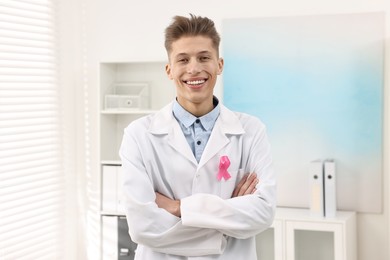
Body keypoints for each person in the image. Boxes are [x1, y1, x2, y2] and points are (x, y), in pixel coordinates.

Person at [119, 13, 276, 260]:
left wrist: (178, 208)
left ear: (219, 64)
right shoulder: (138, 135)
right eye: (183, 59)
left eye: (204, 57)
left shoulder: (251, 131)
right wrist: (226, 227)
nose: (194, 68)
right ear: (169, 70)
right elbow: (142, 226)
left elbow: (263, 212)